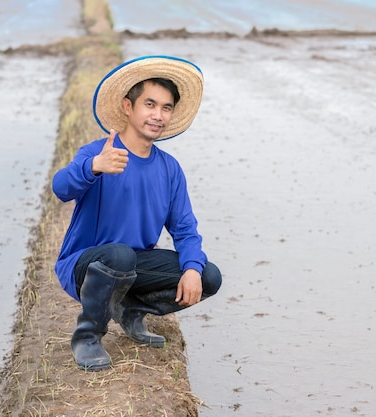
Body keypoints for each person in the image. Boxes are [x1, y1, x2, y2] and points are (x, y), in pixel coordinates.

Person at [52, 55, 222, 371]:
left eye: (166, 107)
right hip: (85, 265)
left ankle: (130, 309)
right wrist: (93, 168)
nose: (158, 115)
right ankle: (88, 337)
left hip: (132, 267)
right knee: (119, 255)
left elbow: (184, 229)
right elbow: (60, 188)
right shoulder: (97, 153)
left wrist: (193, 268)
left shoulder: (169, 169)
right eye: (150, 104)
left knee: (209, 275)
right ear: (128, 107)